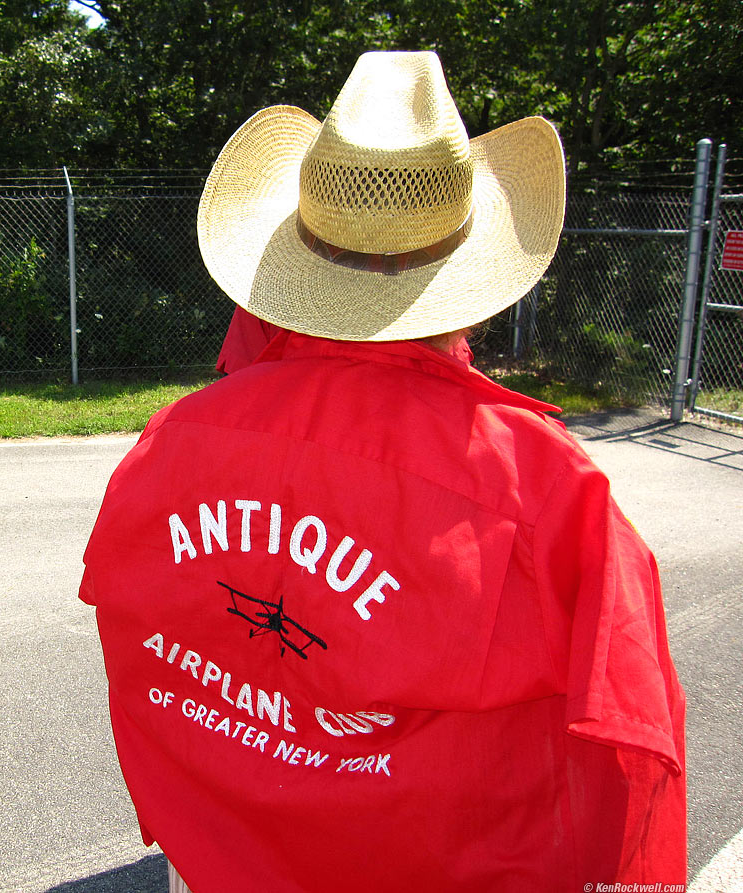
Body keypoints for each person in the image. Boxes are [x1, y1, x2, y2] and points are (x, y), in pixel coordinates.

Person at [79, 51, 686, 892]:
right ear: (468, 271)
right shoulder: (546, 487)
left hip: (219, 860)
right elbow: (634, 737)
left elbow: (140, 642)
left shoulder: (172, 439)